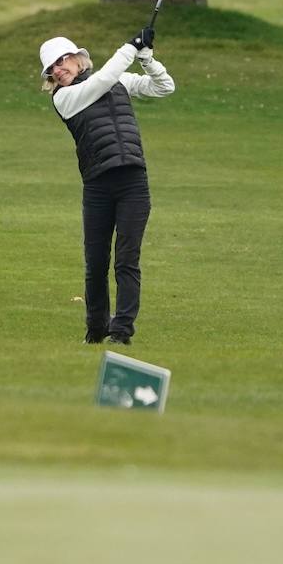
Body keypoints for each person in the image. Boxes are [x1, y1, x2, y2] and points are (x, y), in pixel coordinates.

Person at [39, 26, 175, 345]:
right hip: (98, 187)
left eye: (62, 62)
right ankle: (96, 328)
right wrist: (129, 47)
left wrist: (146, 58)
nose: (58, 70)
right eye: (52, 69)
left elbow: (164, 87)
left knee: (127, 258)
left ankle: (121, 330)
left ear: (77, 59)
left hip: (132, 182)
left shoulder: (118, 80)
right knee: (96, 261)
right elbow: (102, 81)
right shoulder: (65, 98)